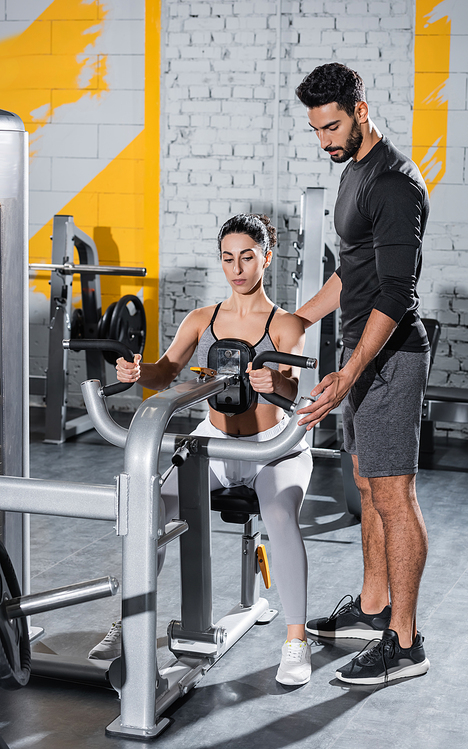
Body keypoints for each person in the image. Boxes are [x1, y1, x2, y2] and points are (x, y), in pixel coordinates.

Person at [88, 214, 313, 686]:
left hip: (274, 449)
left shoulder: (286, 324)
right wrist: (137, 372)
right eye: (229, 258)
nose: (238, 268)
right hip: (214, 446)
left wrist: (276, 382)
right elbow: (164, 372)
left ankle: (296, 640)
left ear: (266, 258)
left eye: (247, 257)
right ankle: (128, 624)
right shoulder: (202, 319)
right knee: (150, 509)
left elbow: (294, 391)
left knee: (278, 514)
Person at [294, 63, 431, 685]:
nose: (326, 140)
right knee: (368, 484)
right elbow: (354, 271)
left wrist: (349, 373)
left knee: (394, 495)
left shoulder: (395, 183)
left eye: (334, 125)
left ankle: (404, 643)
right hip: (363, 355)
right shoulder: (353, 173)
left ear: (362, 108)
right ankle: (374, 607)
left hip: (391, 358)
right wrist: (300, 317)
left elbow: (397, 293)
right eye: (317, 129)